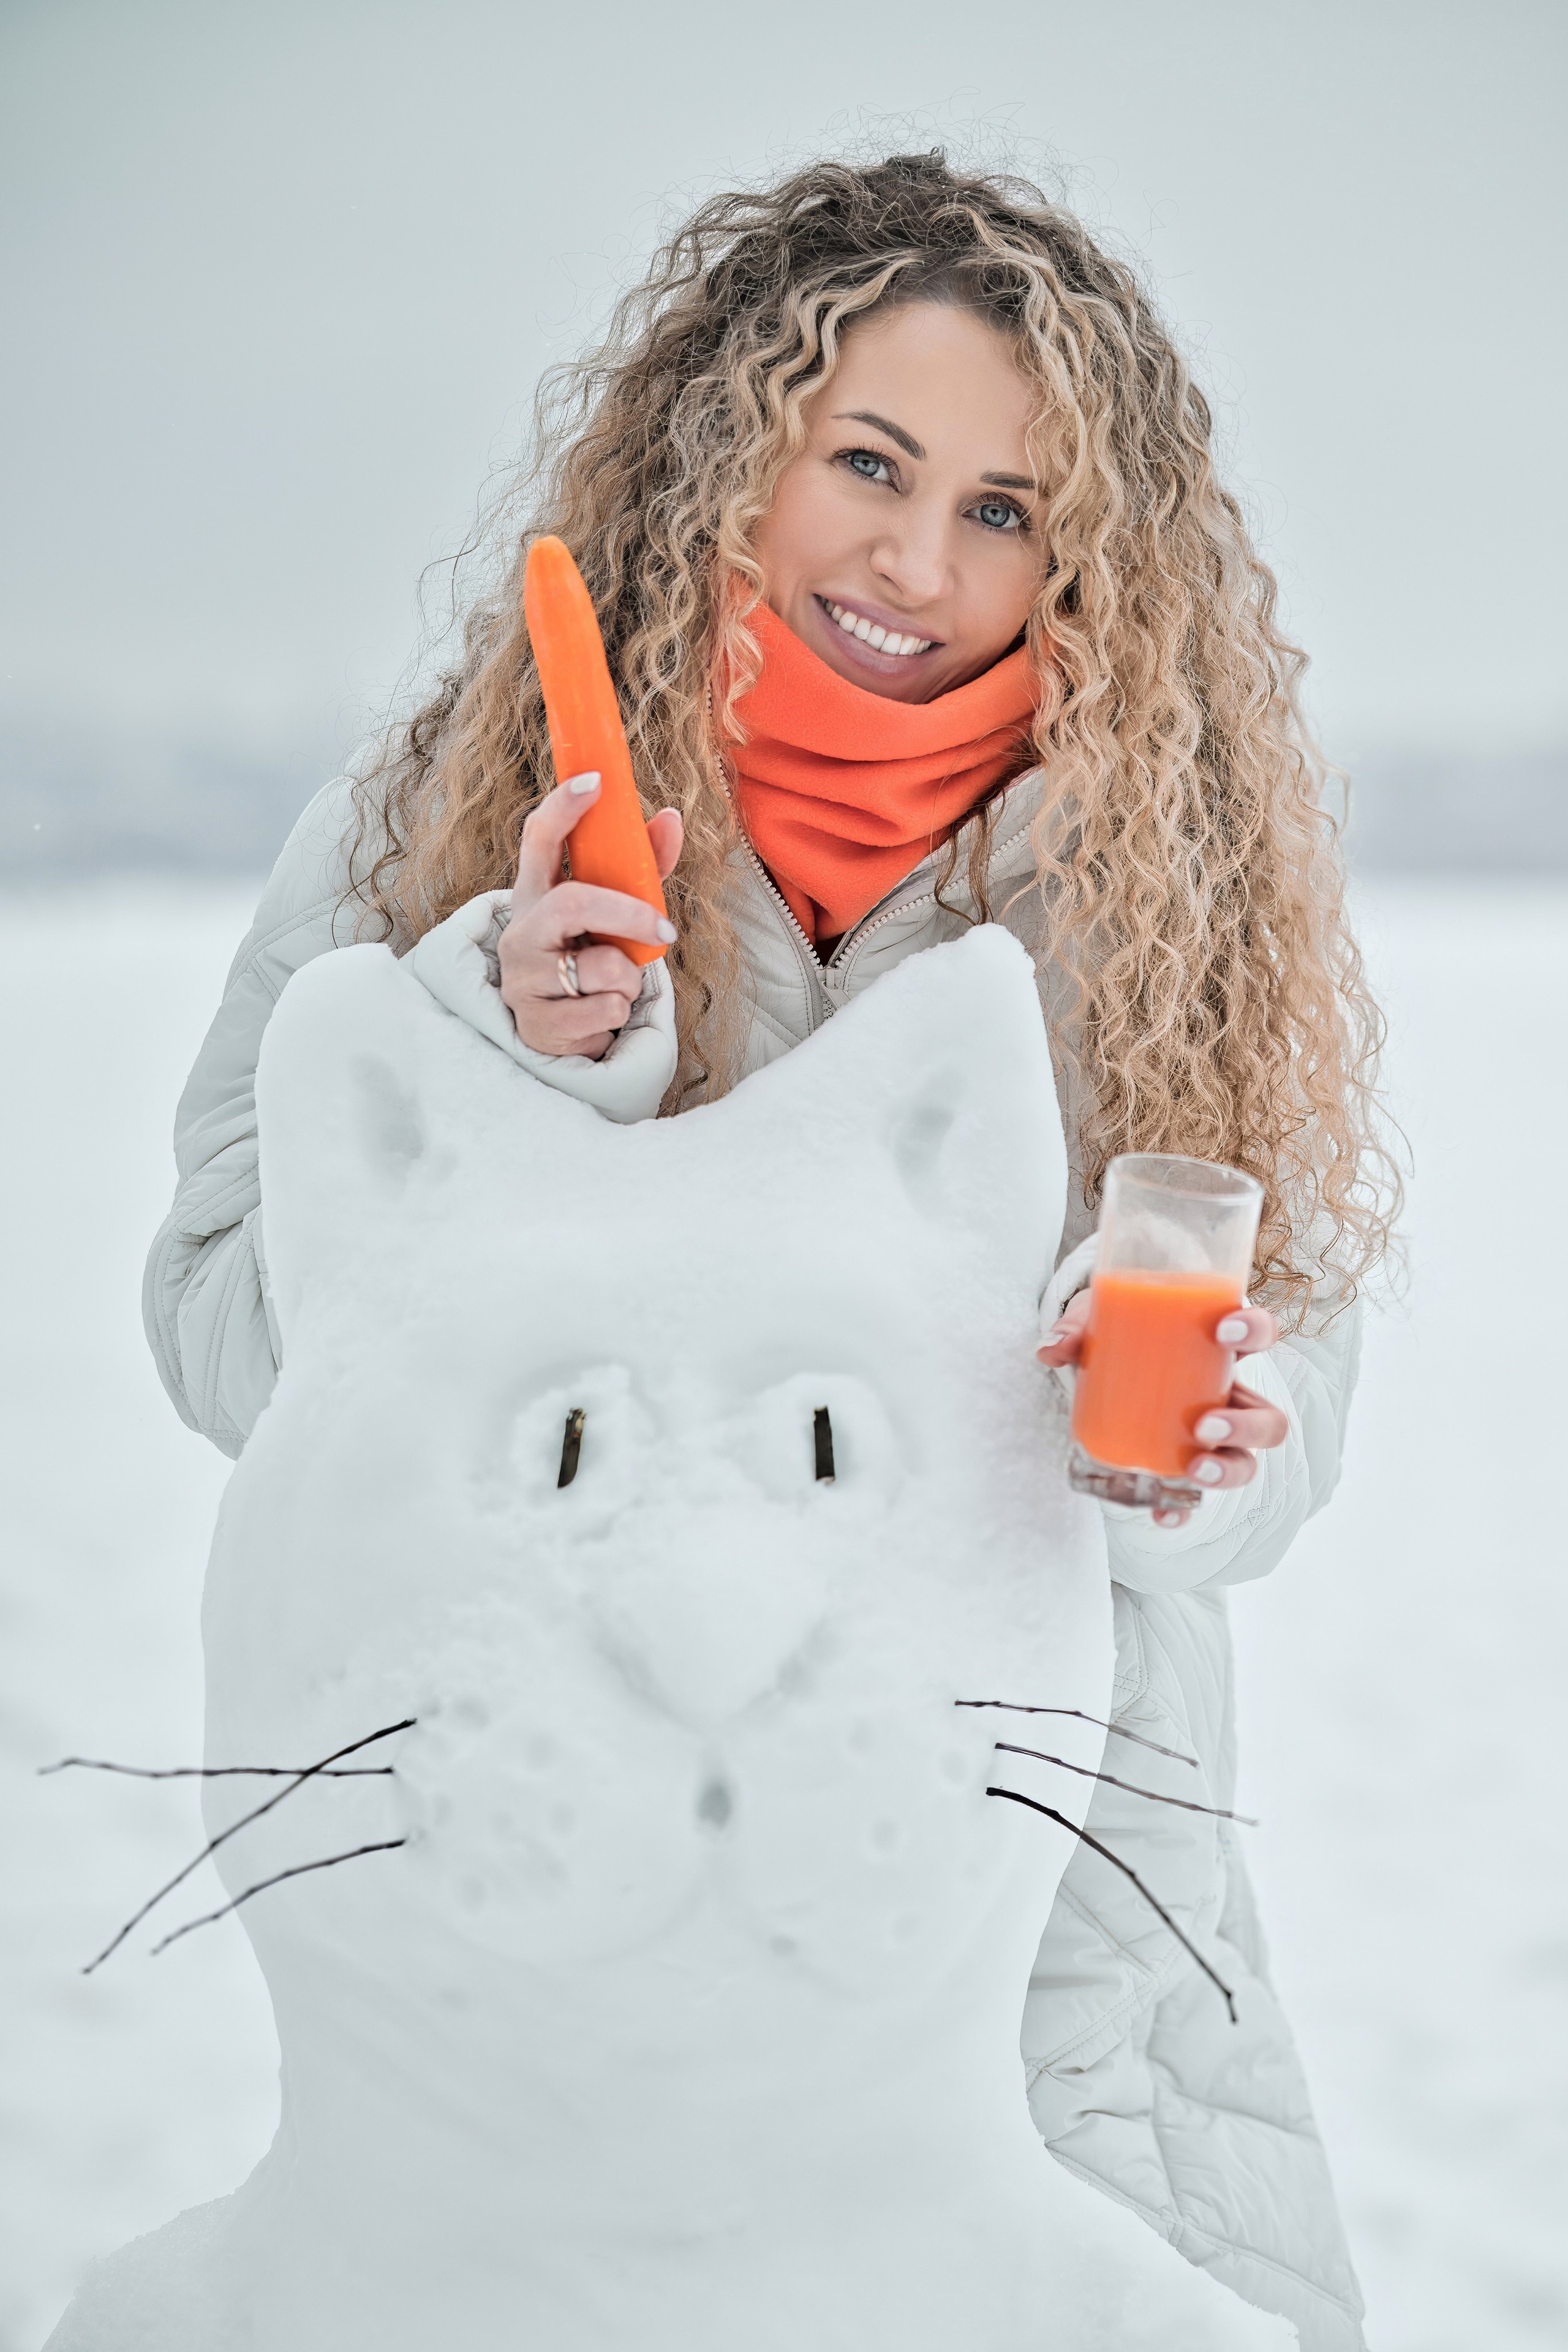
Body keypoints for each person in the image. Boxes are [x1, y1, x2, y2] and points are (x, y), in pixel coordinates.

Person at [145, 152, 1392, 2349]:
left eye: (1003, 511)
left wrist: (1189, 1445)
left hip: (1060, 1947)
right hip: (582, 1932)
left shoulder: (1174, 898)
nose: (917, 564)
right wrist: (511, 1049)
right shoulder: (443, 810)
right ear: (740, 447)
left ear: (1088, 557)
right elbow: (232, 1341)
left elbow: (1262, 1483)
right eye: (871, 466)